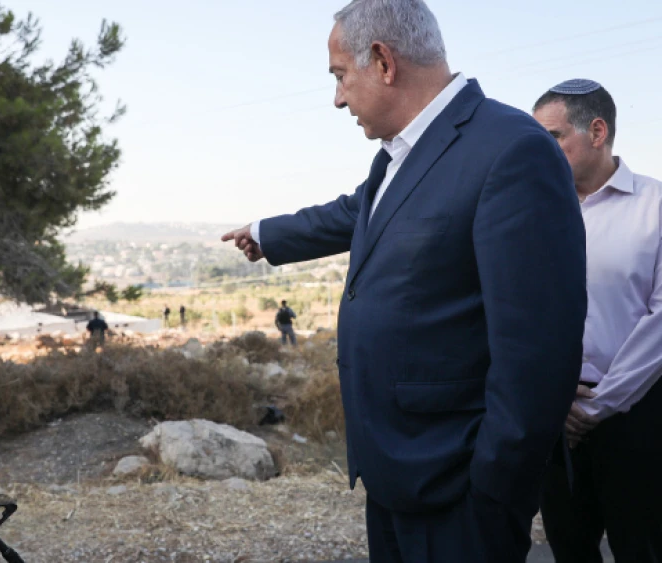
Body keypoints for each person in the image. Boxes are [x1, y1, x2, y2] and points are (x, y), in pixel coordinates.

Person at [221, 1, 586, 561]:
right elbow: (357, 212)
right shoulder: (401, 154)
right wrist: (269, 234)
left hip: (458, 488)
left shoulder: (512, 150)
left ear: (384, 62)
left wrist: (492, 489)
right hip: (395, 474)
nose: (338, 98)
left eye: (341, 76)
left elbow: (539, 352)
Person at [532, 79, 662, 562]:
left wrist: (596, 407)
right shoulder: (532, 212)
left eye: (552, 138)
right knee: (569, 547)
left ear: (597, 131)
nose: (539, 153)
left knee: (641, 546)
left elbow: (660, 320)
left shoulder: (655, 206)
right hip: (554, 416)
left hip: (638, 415)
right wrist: (555, 398)